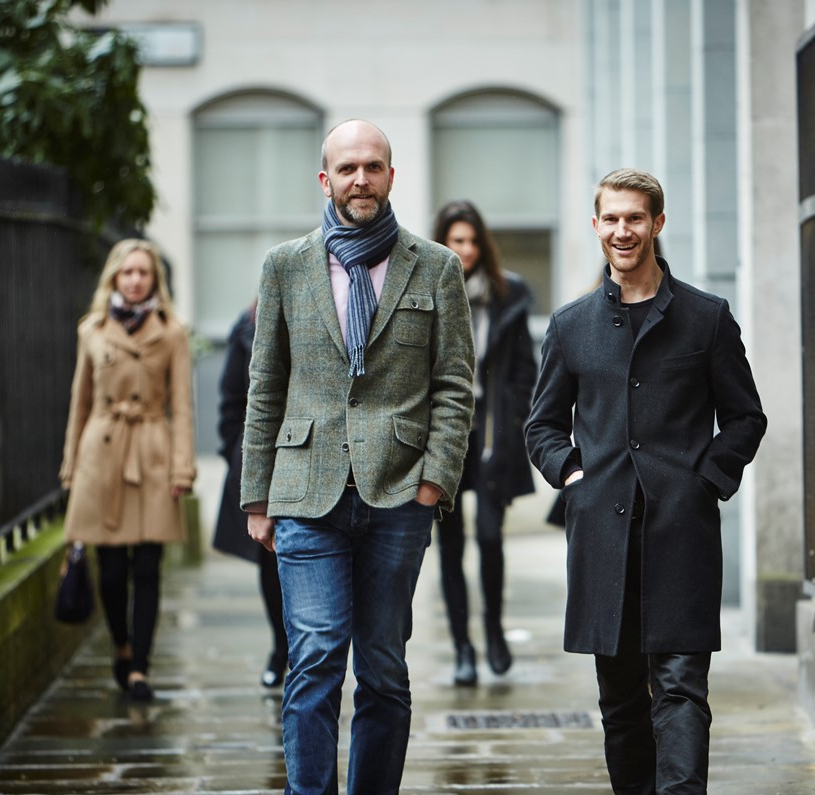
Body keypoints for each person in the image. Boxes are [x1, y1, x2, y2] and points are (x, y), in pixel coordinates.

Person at [241, 119, 475, 794]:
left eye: (373, 166)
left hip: (398, 494)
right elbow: (267, 383)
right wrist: (256, 493)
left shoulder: (435, 267)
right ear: (326, 180)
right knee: (313, 658)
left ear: (391, 176)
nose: (361, 179)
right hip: (304, 491)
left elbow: (455, 384)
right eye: (347, 168)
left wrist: (434, 481)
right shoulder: (285, 266)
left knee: (381, 666)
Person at [525, 169, 766, 793]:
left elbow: (745, 417)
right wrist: (573, 475)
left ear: (657, 224)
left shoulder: (706, 318)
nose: (623, 230)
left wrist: (704, 481)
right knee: (623, 703)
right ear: (596, 226)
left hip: (681, 533)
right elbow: (542, 426)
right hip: (603, 537)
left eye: (635, 218)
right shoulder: (570, 325)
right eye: (612, 218)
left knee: (682, 691)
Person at [59, 238, 196, 702]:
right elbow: (79, 403)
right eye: (127, 272)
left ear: (155, 280)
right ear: (114, 278)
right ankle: (121, 645)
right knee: (112, 572)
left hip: (153, 453)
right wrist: (70, 468)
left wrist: (183, 468)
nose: (136, 280)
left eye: (144, 273)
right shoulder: (91, 331)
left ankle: (139, 666)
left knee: (150, 567)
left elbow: (182, 406)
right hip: (103, 453)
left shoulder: (173, 332)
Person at [430, 200, 536, 686]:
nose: (466, 250)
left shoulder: (509, 293)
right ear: (443, 243)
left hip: (493, 436)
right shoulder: (426, 289)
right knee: (450, 547)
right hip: (446, 437)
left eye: (473, 241)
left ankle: (493, 630)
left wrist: (518, 424)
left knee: (491, 538)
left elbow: (523, 371)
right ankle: (462, 649)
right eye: (457, 241)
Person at [211, 301, 288, 688]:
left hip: (313, 456)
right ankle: (281, 648)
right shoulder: (247, 324)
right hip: (261, 459)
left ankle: (311, 652)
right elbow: (231, 400)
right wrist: (236, 453)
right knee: (271, 561)